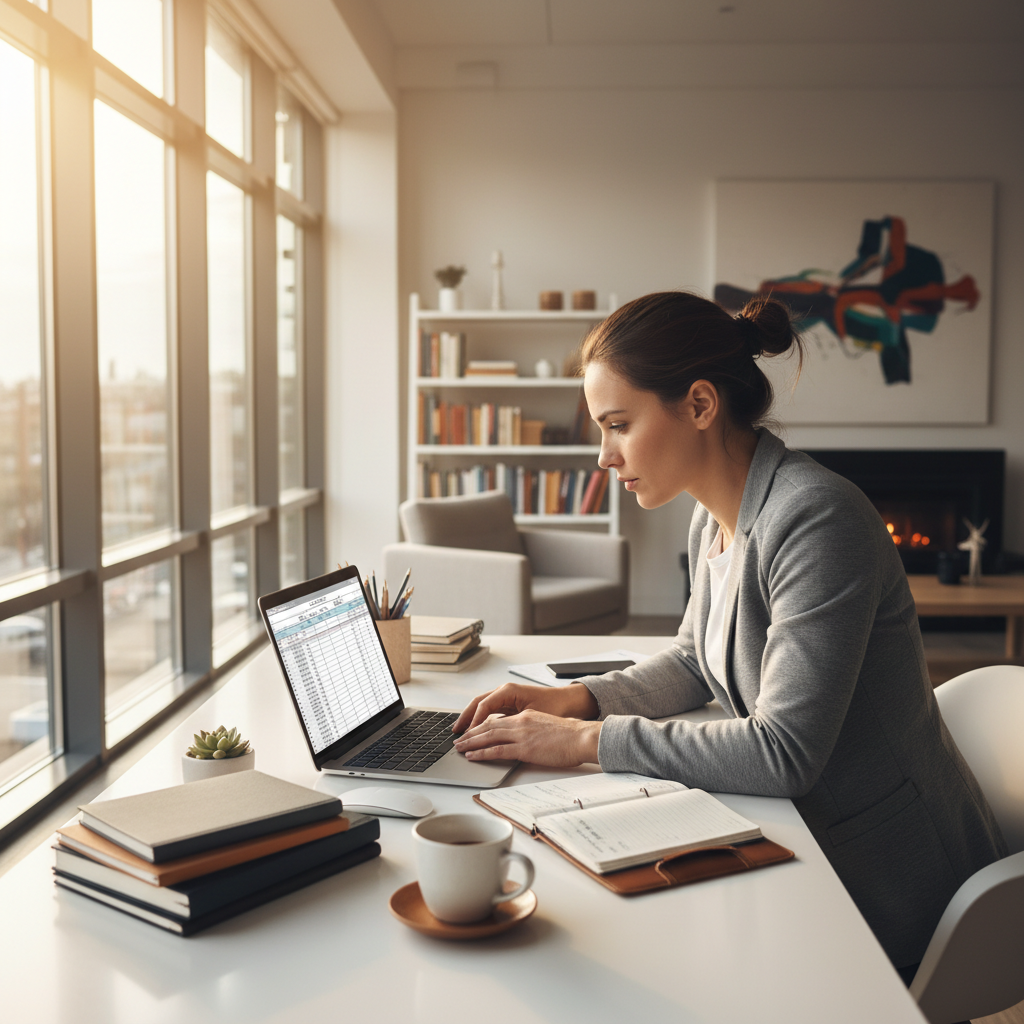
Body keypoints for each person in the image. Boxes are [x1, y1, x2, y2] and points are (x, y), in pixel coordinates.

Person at [451, 291, 1006, 978]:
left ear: (701, 405)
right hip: (804, 835)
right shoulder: (714, 516)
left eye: (618, 424)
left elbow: (784, 752)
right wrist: (580, 701)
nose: (604, 457)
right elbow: (693, 660)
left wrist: (586, 743)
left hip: (887, 879)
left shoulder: (817, 519)